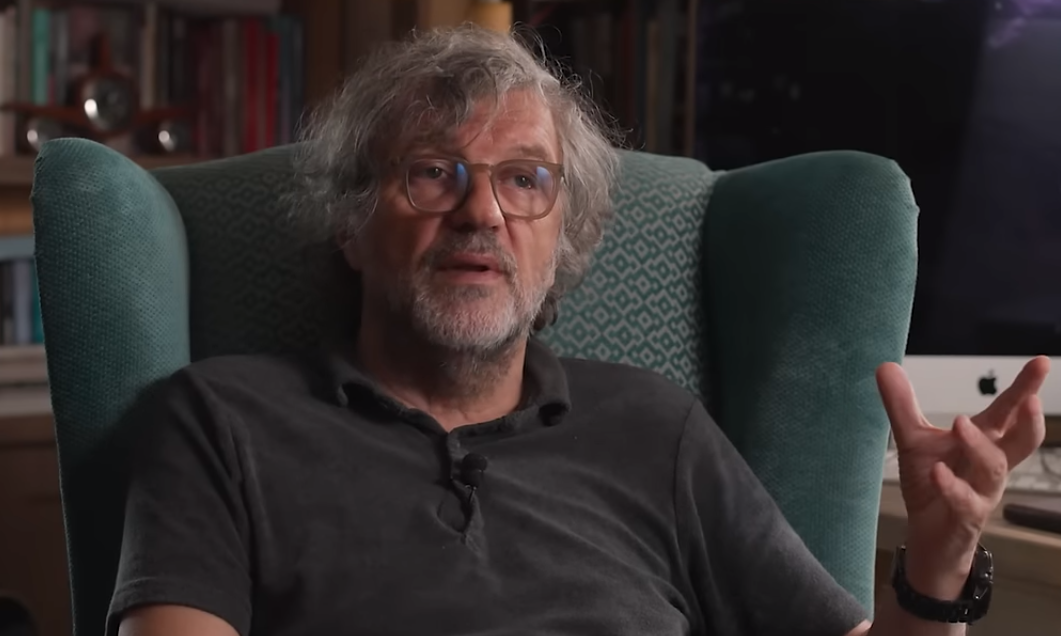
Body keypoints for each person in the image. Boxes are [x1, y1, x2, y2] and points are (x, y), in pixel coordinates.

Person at [110, 25, 1051, 636]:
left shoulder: (657, 428)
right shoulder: (218, 422)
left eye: (525, 180)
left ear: (563, 242)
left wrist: (939, 563)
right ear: (352, 224)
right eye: (433, 172)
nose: (482, 213)